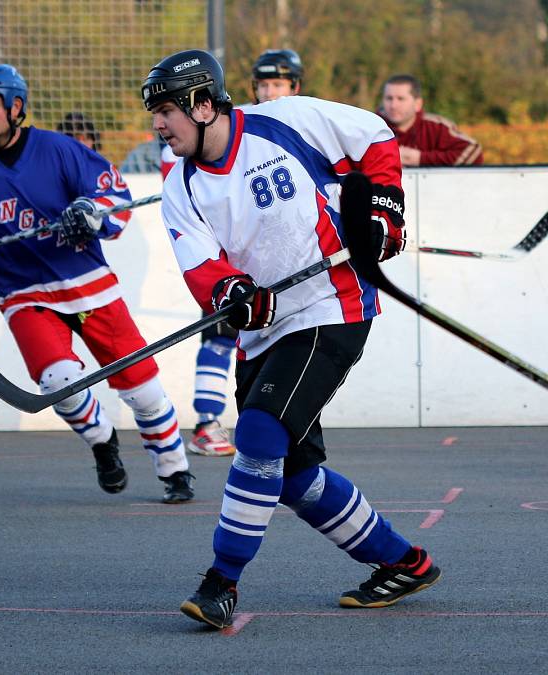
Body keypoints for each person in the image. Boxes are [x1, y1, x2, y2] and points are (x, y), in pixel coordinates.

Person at [141, 49, 441, 628]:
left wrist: (384, 210)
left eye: (166, 111)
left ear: (203, 106)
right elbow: (201, 265)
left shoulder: (287, 120)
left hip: (332, 305)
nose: (158, 124)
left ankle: (220, 583)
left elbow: (375, 138)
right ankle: (406, 562)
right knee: (293, 476)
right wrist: (234, 293)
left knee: (258, 434)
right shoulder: (181, 183)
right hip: (269, 333)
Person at [0, 64, 194, 504]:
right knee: (60, 382)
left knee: (143, 389)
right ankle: (103, 442)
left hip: (89, 285)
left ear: (16, 107)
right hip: (24, 294)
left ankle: (174, 469)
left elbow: (116, 199)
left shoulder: (60, 150)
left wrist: (91, 212)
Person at [183, 48, 305, 458]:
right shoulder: (232, 125)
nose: (270, 91)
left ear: (296, 88)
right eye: (263, 84)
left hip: (291, 262)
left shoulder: (300, 122)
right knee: (221, 335)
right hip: (235, 259)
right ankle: (206, 422)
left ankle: (280, 430)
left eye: (279, 84)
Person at [379, 74, 483, 167]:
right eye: (389, 98)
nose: (393, 105)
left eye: (401, 99)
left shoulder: (437, 127)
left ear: (418, 104)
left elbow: (473, 151)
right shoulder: (371, 127)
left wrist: (420, 158)